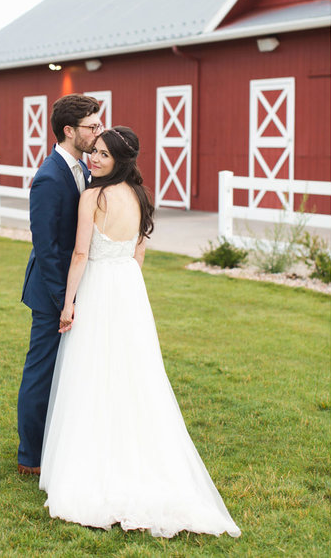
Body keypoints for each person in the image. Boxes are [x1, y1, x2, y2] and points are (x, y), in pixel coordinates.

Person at [39, 126, 241, 539]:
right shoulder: (140, 195)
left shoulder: (93, 196)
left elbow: (80, 252)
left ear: (120, 161)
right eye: (93, 151)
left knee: (92, 371)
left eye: (103, 156)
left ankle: (93, 465)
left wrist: (69, 302)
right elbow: (139, 250)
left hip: (98, 286)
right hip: (129, 289)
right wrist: (127, 286)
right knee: (133, 374)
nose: (93, 159)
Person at [17, 93, 103, 476]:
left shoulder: (84, 169)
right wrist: (61, 301)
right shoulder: (50, 177)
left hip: (74, 288)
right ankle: (30, 457)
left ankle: (62, 442)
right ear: (70, 131)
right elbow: (48, 247)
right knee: (42, 371)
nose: (98, 133)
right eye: (92, 127)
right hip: (52, 291)